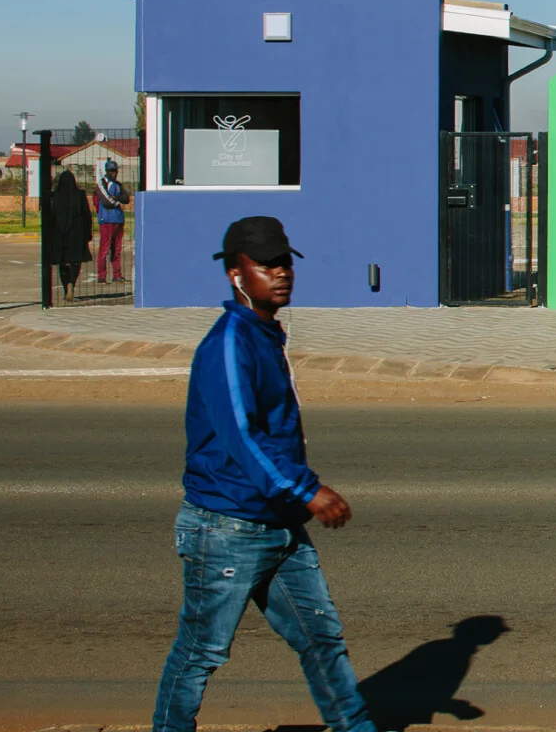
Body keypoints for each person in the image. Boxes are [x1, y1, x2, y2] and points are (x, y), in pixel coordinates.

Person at [153, 216, 377, 732]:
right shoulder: (230, 342)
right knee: (202, 651)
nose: (281, 273)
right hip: (226, 526)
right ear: (236, 275)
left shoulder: (263, 334)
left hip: (277, 522)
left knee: (320, 636)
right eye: (266, 265)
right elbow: (242, 436)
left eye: (284, 263)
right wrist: (307, 489)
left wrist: (296, 498)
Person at [44, 169, 93, 301]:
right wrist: (88, 233)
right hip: (77, 234)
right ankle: (71, 283)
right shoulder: (80, 195)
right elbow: (87, 215)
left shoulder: (54, 196)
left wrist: (49, 236)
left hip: (59, 235)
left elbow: (49, 218)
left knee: (62, 262)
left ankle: (66, 287)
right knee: (75, 261)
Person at [95, 158, 127, 282]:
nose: (114, 173)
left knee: (117, 249)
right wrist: (116, 201)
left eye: (115, 171)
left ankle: (117, 274)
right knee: (104, 248)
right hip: (106, 220)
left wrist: (117, 197)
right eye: (112, 171)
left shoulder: (118, 185)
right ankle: (102, 275)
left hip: (118, 219)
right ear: (107, 171)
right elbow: (106, 201)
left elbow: (126, 198)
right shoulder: (102, 183)